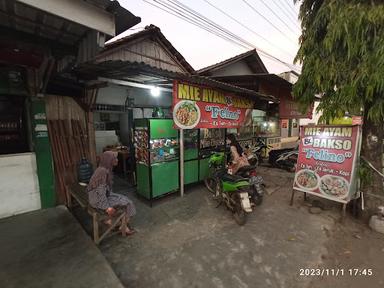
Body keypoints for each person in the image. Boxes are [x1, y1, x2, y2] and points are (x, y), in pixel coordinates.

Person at [87, 151, 136, 235]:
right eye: (114, 158)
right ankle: (122, 226)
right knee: (128, 203)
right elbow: (100, 191)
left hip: (100, 196)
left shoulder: (105, 169)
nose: (117, 160)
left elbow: (104, 190)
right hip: (97, 199)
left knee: (123, 199)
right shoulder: (102, 171)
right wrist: (106, 207)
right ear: (109, 160)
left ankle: (114, 223)